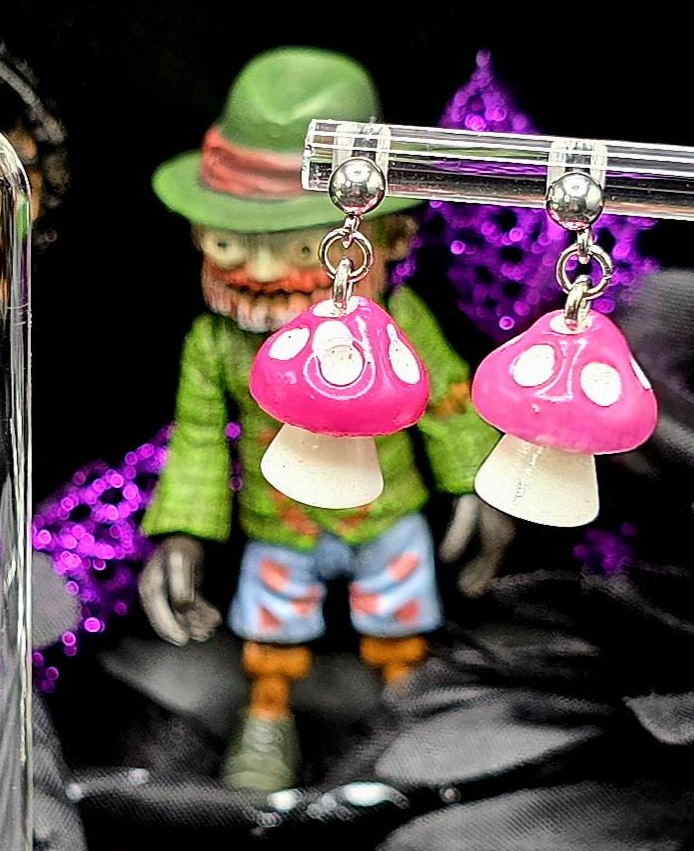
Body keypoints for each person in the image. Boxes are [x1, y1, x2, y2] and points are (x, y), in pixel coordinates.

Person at [140, 48, 510, 791]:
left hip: (387, 514)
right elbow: (200, 439)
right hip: (280, 523)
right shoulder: (215, 344)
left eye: (305, 246)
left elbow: (447, 399)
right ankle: (267, 718)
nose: (262, 272)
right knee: (272, 632)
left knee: (401, 625)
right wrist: (182, 531)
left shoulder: (399, 319)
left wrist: (479, 481)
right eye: (230, 241)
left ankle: (411, 718)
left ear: (391, 240)